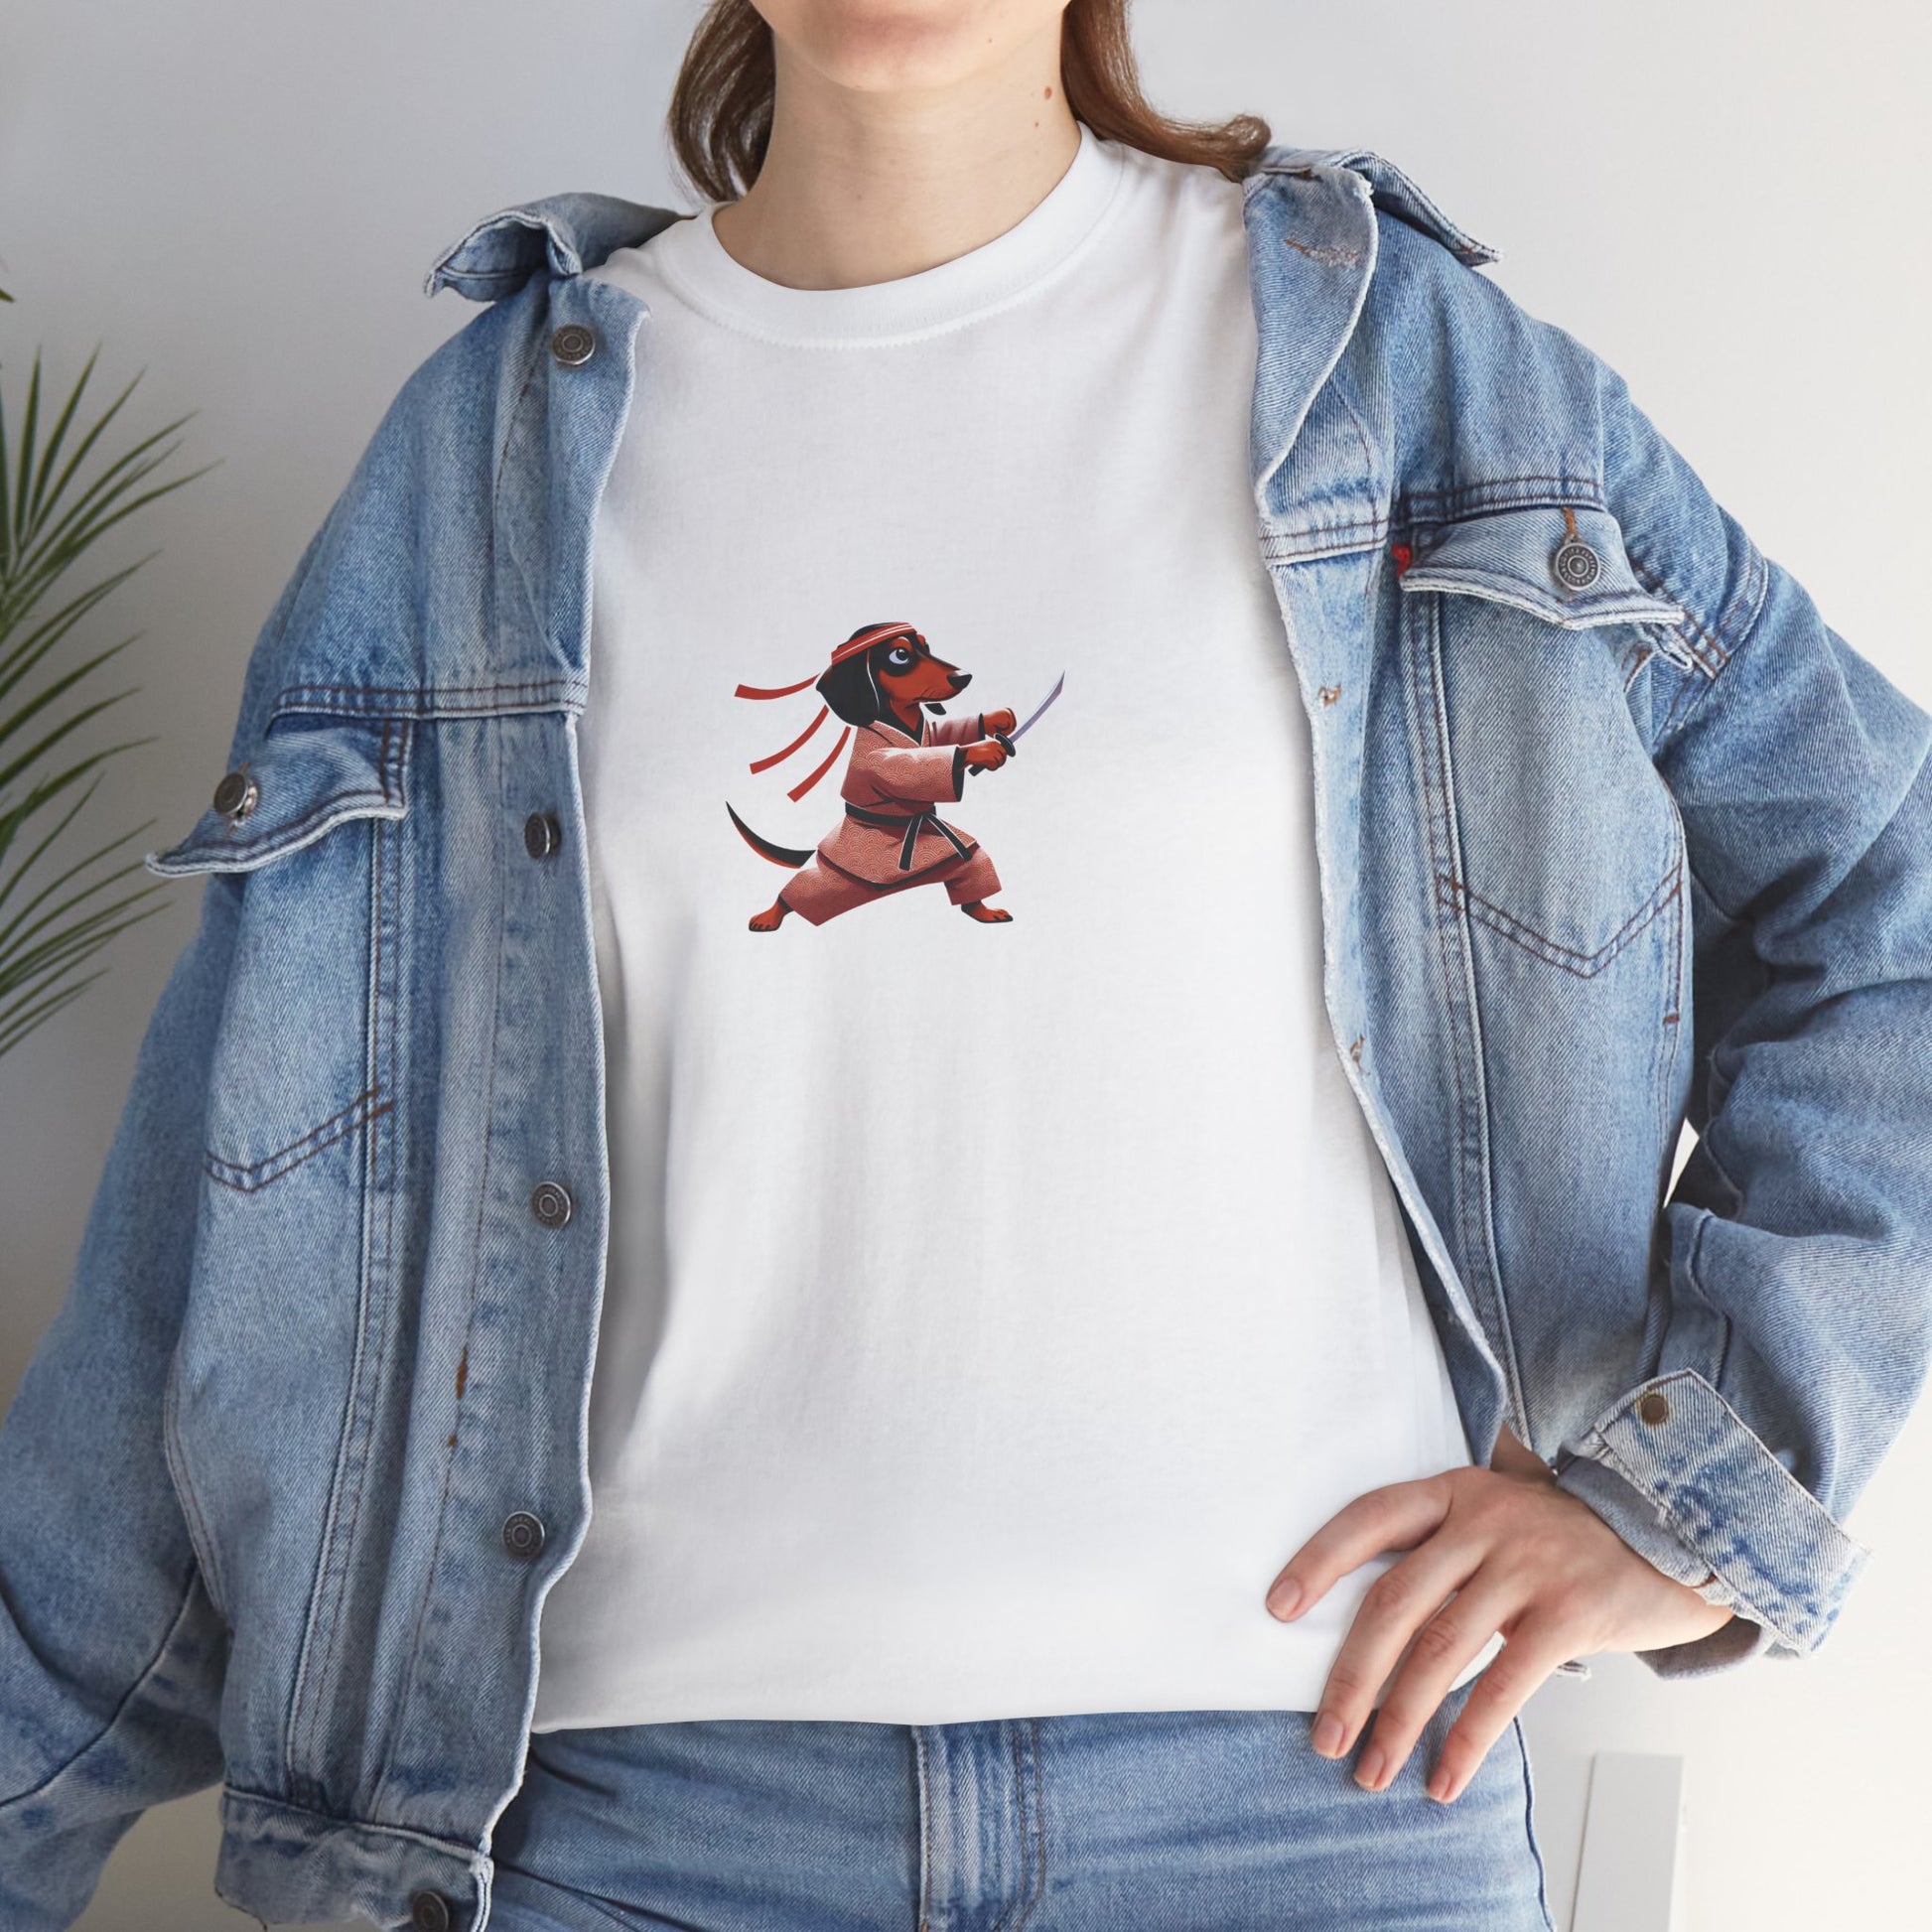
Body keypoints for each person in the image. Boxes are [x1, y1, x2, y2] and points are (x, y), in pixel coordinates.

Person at [3, 2, 1929, 1928]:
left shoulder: (1411, 376)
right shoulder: (478, 459)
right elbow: (226, 1246)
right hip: (628, 1831)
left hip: (1318, 1800)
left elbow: (1882, 902)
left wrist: (1695, 1500)